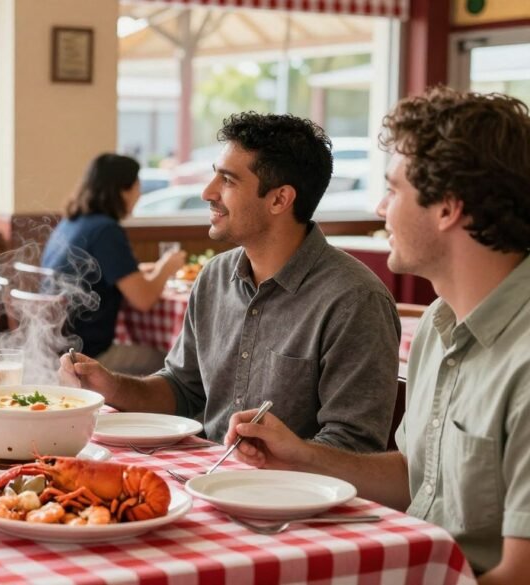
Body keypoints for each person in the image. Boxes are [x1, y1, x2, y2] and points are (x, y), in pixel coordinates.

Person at [224, 88, 530, 581]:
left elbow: (519, 575)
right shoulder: (438, 322)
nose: (380, 206)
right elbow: (417, 477)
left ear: (448, 207)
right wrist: (302, 457)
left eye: (393, 189)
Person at [61, 114, 400, 452]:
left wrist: (275, 458)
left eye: (227, 180)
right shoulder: (214, 277)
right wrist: (113, 386)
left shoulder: (355, 299)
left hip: (296, 497)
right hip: (209, 477)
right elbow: (182, 388)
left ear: (280, 199)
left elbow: (354, 445)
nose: (208, 193)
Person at [42, 153, 187, 375]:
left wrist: (148, 269)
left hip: (55, 348)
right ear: (122, 190)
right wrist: (166, 267)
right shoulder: (106, 231)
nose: (139, 194)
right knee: (172, 363)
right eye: (138, 186)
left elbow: (103, 275)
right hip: (88, 353)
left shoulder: (72, 222)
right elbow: (144, 299)